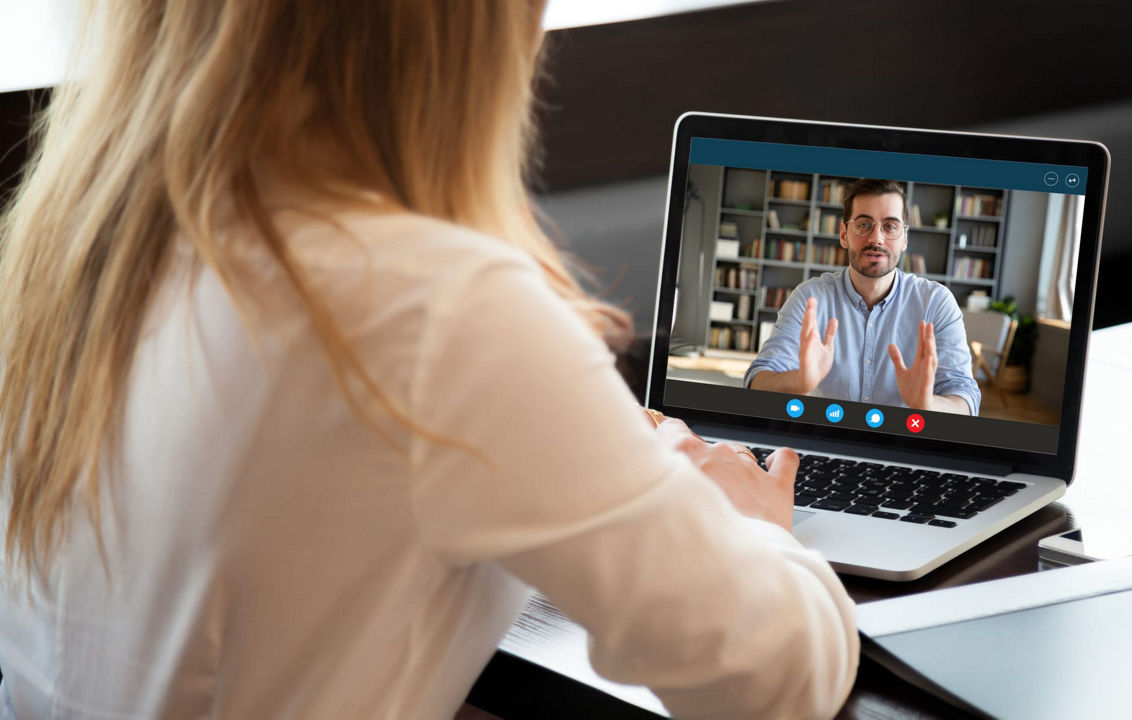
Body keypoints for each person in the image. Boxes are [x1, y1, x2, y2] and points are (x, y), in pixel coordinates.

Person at [0, 1, 858, 717]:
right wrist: (746, 526)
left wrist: (596, 470)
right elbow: (774, 680)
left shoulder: (71, 257)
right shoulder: (436, 309)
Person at [746, 179, 980, 415]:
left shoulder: (936, 303)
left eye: (890, 226)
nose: (876, 238)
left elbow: (965, 401)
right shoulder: (809, 298)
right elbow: (757, 381)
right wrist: (798, 381)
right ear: (843, 234)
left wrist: (927, 404)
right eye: (863, 224)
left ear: (904, 238)